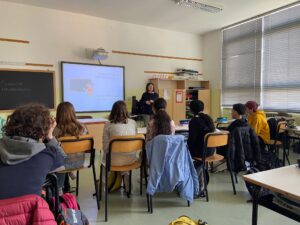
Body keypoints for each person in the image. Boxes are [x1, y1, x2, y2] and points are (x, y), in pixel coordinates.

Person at [0, 103, 65, 200]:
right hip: (30, 212)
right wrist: (50, 136)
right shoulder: (45, 155)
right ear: (43, 129)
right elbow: (63, 160)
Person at [53, 101, 89, 193]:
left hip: (63, 164)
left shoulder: (56, 130)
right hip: (80, 161)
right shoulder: (83, 128)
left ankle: (59, 189)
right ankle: (69, 178)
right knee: (64, 157)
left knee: (54, 158)